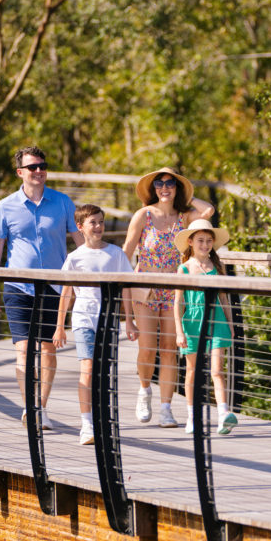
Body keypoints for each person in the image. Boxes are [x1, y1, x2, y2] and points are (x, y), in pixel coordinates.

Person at [0, 147, 84, 429]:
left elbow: (79, 243)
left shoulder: (63, 202)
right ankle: (30, 406)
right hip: (18, 287)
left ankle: (41, 406)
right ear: (20, 172)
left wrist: (87, 278)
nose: (38, 171)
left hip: (54, 287)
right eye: (32, 167)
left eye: (42, 165)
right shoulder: (6, 206)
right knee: (24, 349)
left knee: (48, 349)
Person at [122, 168, 214, 428]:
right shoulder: (144, 215)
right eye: (159, 184)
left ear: (177, 188)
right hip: (145, 290)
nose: (164, 188)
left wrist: (187, 196)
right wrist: (123, 299)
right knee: (148, 348)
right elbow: (125, 253)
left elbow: (207, 211)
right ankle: (144, 390)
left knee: (170, 351)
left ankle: (166, 409)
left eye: (170, 184)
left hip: (174, 291)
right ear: (153, 189)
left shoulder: (184, 218)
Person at [53, 204, 138, 445]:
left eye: (101, 221)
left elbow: (127, 289)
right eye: (93, 222)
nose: (98, 226)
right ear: (80, 227)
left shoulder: (116, 254)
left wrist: (129, 321)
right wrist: (60, 326)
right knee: (88, 371)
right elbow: (66, 293)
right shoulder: (74, 257)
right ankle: (87, 424)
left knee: (105, 373)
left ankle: (104, 421)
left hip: (109, 321)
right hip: (83, 319)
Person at [173, 219, 237, 435]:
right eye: (200, 240)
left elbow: (224, 298)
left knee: (217, 370)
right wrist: (179, 331)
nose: (205, 244)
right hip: (192, 322)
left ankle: (223, 415)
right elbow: (178, 302)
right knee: (192, 370)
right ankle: (192, 416)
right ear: (190, 242)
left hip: (216, 320)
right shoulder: (184, 268)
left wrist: (230, 323)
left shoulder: (217, 267)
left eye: (209, 240)